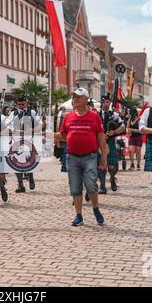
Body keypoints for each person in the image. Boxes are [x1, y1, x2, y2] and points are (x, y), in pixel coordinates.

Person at [59, 88, 108, 227]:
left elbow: (101, 137)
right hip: (72, 158)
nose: (74, 99)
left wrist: (104, 158)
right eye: (74, 97)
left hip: (90, 157)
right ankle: (79, 215)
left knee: (91, 185)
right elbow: (63, 134)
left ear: (86, 99)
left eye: (78, 97)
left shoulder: (94, 116)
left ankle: (96, 209)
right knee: (75, 188)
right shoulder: (68, 117)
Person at [6, 96, 41, 193]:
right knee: (16, 161)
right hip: (16, 140)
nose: (21, 106)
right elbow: (7, 124)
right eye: (19, 104)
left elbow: (40, 124)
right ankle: (20, 185)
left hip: (29, 140)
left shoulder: (32, 112)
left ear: (26, 103)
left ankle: (30, 176)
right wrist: (15, 130)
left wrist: (31, 130)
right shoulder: (13, 113)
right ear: (17, 104)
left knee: (28, 160)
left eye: (23, 104)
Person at [98, 94, 125, 193]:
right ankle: (102, 186)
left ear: (109, 103)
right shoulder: (96, 114)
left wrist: (114, 132)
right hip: (100, 143)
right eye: (104, 102)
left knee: (111, 166)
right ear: (101, 103)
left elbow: (122, 126)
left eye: (107, 102)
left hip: (110, 142)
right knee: (101, 165)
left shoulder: (114, 115)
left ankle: (112, 178)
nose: (106, 104)